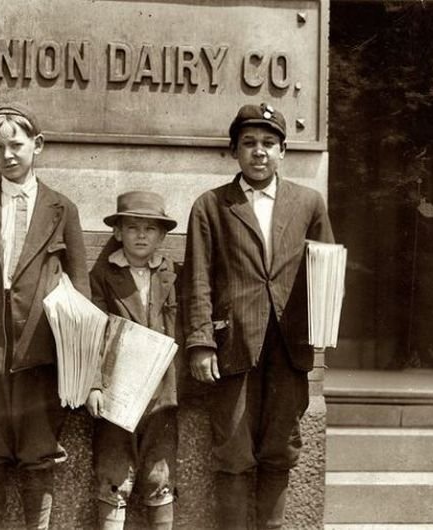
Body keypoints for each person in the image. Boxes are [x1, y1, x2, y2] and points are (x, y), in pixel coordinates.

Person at [182, 103, 334, 529]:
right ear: (234, 151)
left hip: (290, 348)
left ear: (284, 151)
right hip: (234, 346)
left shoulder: (308, 203)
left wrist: (320, 330)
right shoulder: (211, 206)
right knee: (233, 449)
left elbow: (326, 271)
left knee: (280, 449)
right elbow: (196, 278)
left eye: (269, 143)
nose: (259, 151)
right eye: (249, 143)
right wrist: (200, 342)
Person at [0, 102, 90, 530]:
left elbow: (80, 289)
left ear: (37, 146)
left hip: (41, 354)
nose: (7, 155)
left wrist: (82, 365)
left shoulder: (63, 210)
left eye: (16, 145)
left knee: (39, 452)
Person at [86, 191, 179, 530]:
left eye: (150, 229)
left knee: (160, 471)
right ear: (117, 233)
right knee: (113, 472)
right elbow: (92, 333)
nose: (141, 235)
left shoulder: (172, 275)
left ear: (162, 236)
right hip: (117, 393)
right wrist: (94, 383)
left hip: (161, 394)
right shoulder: (103, 275)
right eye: (133, 228)